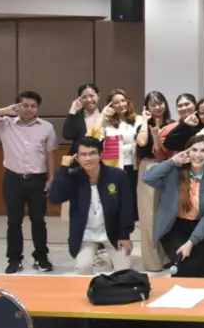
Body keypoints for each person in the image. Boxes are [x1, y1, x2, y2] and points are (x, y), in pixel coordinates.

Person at [0, 92, 58, 274]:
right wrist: (5, 110)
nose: (29, 109)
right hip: (13, 179)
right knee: (14, 221)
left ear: (38, 108)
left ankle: (41, 257)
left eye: (33, 106)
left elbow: (50, 154)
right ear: (17, 106)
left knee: (38, 221)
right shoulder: (5, 124)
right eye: (25, 105)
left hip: (38, 180)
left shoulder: (47, 127)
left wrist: (51, 178)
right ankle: (14, 259)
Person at [48, 137, 134, 274]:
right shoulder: (73, 177)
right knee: (83, 268)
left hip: (113, 233)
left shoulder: (117, 175)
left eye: (92, 153)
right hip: (85, 235)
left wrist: (125, 235)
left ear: (100, 155)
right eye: (83, 154)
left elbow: (127, 207)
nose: (88, 158)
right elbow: (54, 198)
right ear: (77, 158)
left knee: (123, 271)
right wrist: (63, 168)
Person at [142, 135, 204, 277]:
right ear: (187, 152)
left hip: (199, 227)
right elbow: (147, 177)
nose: (198, 155)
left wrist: (191, 242)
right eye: (194, 150)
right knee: (187, 264)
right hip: (174, 227)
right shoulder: (174, 172)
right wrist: (172, 161)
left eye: (203, 151)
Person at [87, 89, 145, 221]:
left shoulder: (138, 119)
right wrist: (102, 115)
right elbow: (91, 137)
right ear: (110, 105)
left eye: (123, 101)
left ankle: (128, 226)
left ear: (128, 102)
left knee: (132, 199)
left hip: (134, 166)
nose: (121, 104)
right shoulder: (106, 122)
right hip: (114, 167)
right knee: (115, 199)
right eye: (116, 102)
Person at [134, 90, 172, 271]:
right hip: (149, 167)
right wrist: (144, 120)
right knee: (149, 215)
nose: (157, 107)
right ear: (147, 108)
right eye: (153, 104)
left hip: (170, 167)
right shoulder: (143, 126)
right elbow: (142, 142)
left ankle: (167, 257)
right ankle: (153, 261)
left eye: (160, 103)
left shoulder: (172, 125)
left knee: (168, 214)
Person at [63, 83, 102, 153]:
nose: (89, 100)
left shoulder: (106, 116)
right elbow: (67, 135)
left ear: (98, 96)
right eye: (84, 97)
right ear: (80, 99)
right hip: (79, 157)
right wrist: (72, 111)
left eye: (91, 96)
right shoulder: (75, 116)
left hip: (101, 157)